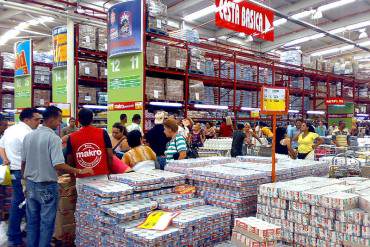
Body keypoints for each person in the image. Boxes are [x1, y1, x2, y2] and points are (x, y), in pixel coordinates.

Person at [22, 106, 93, 247]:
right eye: (60, 119)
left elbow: (23, 163)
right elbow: (58, 164)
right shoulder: (53, 138)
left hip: (30, 185)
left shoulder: (29, 136)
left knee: (32, 222)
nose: (60, 122)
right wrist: (79, 171)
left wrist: (24, 181)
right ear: (53, 118)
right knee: (47, 223)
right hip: (47, 186)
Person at [0, 108, 42, 246]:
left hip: (13, 171)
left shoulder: (10, 130)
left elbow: (1, 147)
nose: (38, 122)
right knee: (23, 203)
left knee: (19, 202)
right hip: (23, 173)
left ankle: (15, 233)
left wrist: (6, 159)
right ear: (26, 119)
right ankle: (15, 235)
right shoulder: (28, 133)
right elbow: (33, 155)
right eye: (36, 119)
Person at [66, 108, 114, 180]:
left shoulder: (72, 137)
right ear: (92, 119)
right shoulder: (102, 133)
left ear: (78, 120)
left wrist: (72, 177)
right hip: (102, 176)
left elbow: (70, 160)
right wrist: (110, 171)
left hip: (82, 177)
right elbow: (110, 155)